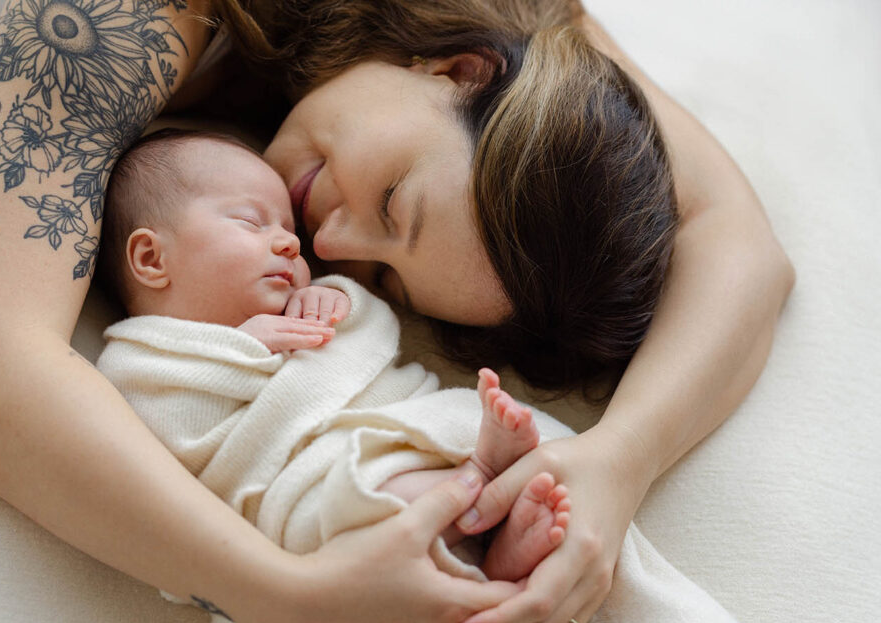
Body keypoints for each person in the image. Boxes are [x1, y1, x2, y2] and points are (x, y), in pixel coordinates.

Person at [0, 0, 794, 623]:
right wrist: (293, 600)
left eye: (382, 280)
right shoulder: (123, 22)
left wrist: (618, 461)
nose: (329, 244)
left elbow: (739, 244)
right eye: (395, 203)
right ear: (458, 70)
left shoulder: (521, 37)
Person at [96, 127, 570, 583]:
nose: (291, 244)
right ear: (152, 259)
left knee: (467, 412)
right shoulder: (138, 360)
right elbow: (174, 443)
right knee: (358, 497)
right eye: (250, 221)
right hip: (307, 480)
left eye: (290, 231)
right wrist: (241, 348)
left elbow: (367, 341)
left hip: (395, 422)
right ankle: (479, 502)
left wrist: (338, 302)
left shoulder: (304, 304)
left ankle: (495, 538)